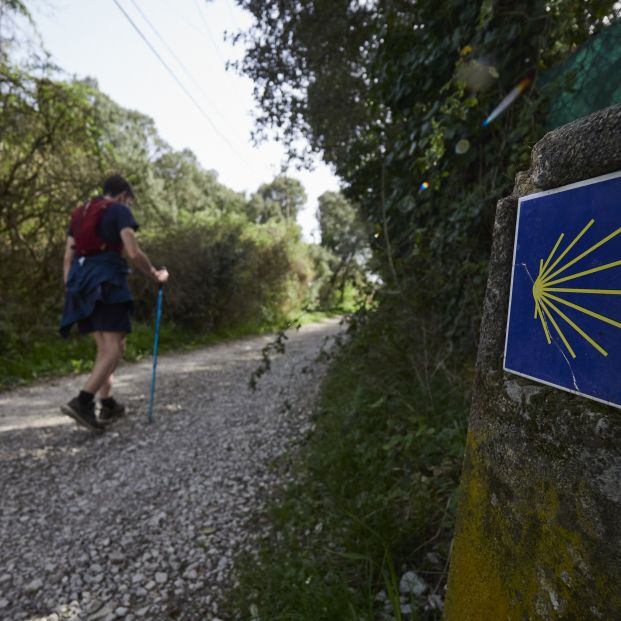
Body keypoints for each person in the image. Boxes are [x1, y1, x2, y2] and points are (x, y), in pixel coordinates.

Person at [59, 175, 169, 432]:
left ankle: (107, 403)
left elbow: (68, 256)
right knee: (114, 349)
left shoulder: (79, 214)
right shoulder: (119, 211)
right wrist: (155, 274)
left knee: (107, 346)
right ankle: (82, 401)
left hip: (81, 283)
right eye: (129, 201)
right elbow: (132, 251)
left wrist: (72, 287)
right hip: (108, 282)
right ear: (123, 196)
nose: (128, 206)